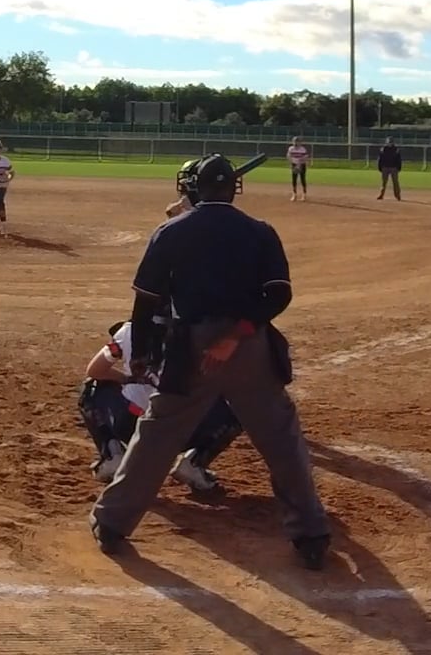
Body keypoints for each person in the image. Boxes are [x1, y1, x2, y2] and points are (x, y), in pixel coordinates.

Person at [90, 153, 330, 570]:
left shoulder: (171, 231)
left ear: (195, 189)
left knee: (157, 434)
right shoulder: (260, 231)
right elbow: (278, 295)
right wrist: (236, 335)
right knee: (281, 438)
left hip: (190, 348)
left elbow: (145, 302)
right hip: (250, 346)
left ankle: (111, 524)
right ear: (234, 188)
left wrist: (142, 354)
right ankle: (311, 534)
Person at [79, 319, 242, 493]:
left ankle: (112, 455)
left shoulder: (129, 330)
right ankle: (195, 462)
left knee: (92, 386)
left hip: (131, 425)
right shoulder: (202, 333)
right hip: (181, 433)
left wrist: (129, 379)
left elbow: (95, 370)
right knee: (238, 405)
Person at [287, 137, 310, 201]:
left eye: (297, 141)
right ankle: (294, 194)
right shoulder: (291, 148)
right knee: (294, 180)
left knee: (302, 179)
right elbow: (289, 156)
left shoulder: (303, 149)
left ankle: (304, 195)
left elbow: (305, 158)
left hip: (302, 164)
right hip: (294, 164)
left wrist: (299, 165)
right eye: (294, 141)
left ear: (300, 142)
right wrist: (291, 164)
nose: (295, 143)